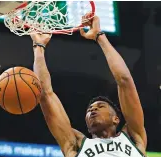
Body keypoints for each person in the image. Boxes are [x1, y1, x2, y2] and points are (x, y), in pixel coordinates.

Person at [30, 14, 147, 157]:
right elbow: (46, 95)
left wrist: (99, 36)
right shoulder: (76, 144)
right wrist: (39, 47)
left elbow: (125, 81)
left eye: (100, 106)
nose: (92, 110)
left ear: (116, 119)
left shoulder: (134, 138)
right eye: (90, 109)